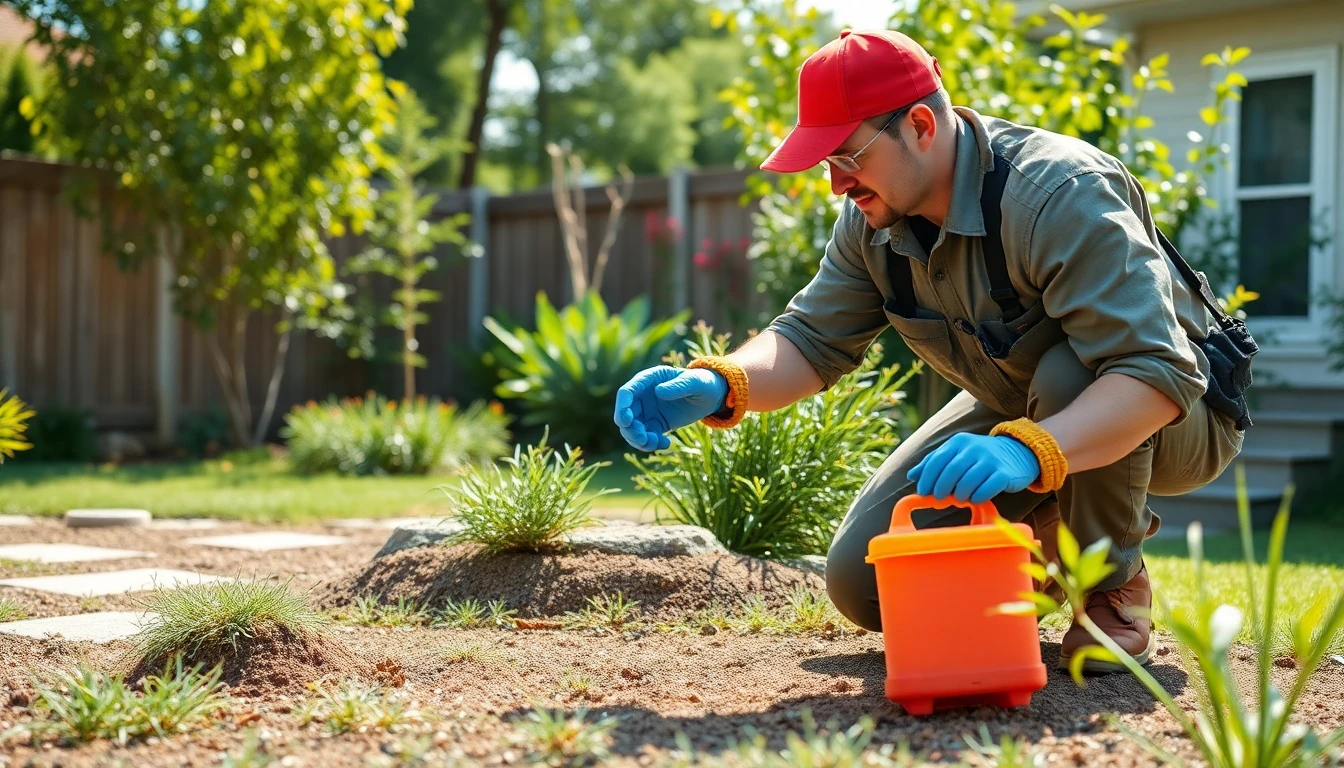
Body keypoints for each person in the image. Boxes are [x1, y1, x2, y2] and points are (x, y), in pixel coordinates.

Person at [611, 29, 1244, 673]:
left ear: (918, 124)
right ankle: (1050, 539)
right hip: (1020, 404)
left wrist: (1025, 450)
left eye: (846, 155)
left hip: (1179, 413)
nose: (835, 183)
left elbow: (1152, 370)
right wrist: (721, 383)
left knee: (1071, 367)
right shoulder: (872, 221)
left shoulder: (1058, 193)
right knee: (866, 583)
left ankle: (1111, 584)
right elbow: (809, 339)